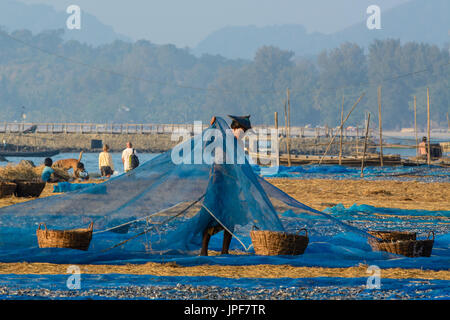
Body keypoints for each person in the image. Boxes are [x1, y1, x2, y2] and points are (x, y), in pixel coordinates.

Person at [199, 115, 252, 256]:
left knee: (230, 216)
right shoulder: (224, 138)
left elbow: (239, 164)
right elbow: (209, 146)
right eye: (243, 129)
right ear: (236, 128)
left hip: (230, 183)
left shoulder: (238, 142)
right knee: (212, 214)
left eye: (245, 131)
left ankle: (224, 251)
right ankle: (204, 250)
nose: (243, 132)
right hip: (219, 182)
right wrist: (212, 127)